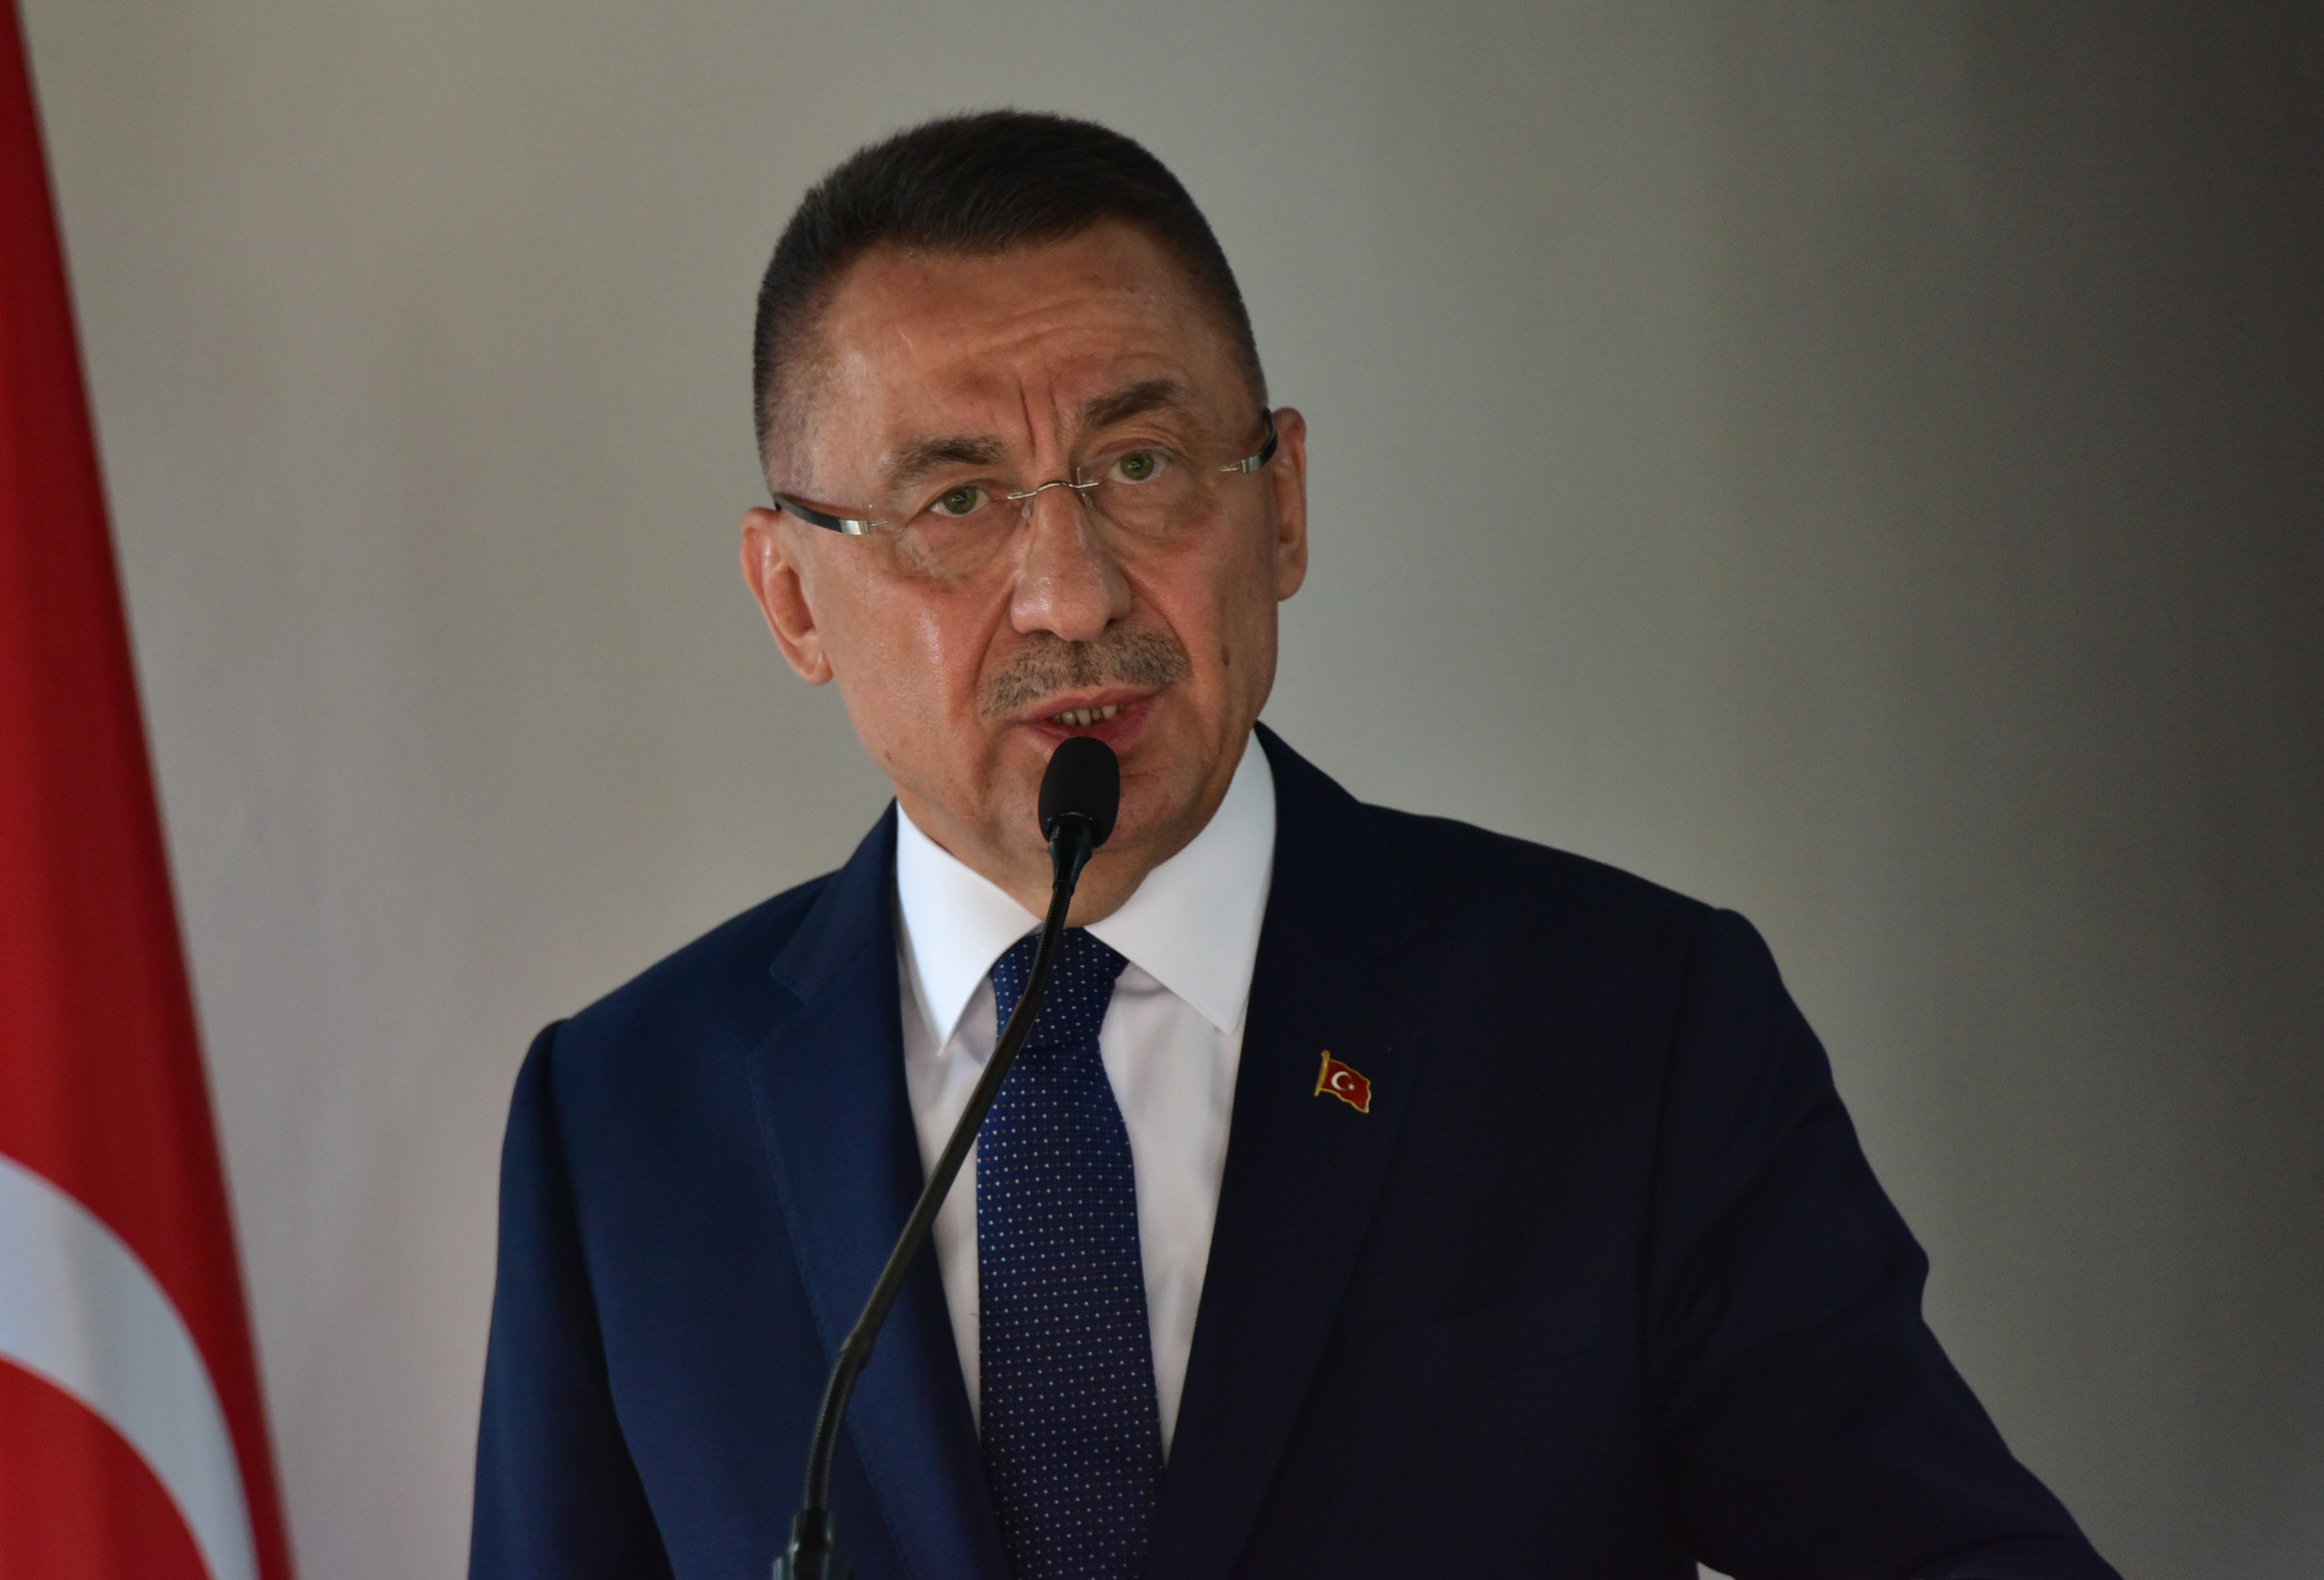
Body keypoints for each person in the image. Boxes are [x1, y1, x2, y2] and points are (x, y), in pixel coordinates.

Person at [469, 111, 2118, 1580]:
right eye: (958, 503)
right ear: (791, 598)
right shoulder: (617, 1128)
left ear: (1284, 505)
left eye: (1139, 465)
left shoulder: (1634, 1025)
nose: (1072, 595)